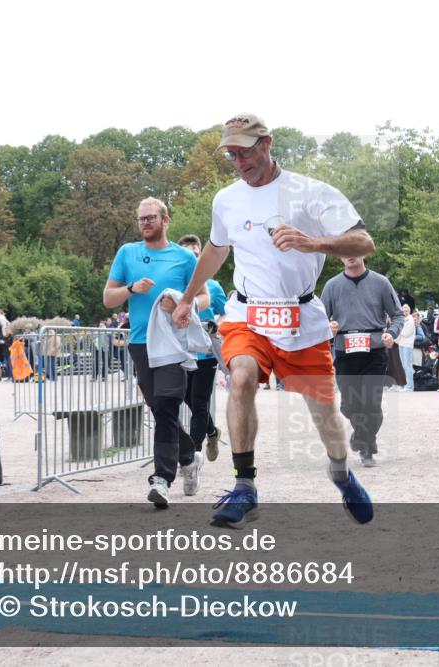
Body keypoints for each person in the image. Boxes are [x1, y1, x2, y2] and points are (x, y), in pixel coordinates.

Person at [173, 113, 375, 528]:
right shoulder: (226, 199)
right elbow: (215, 250)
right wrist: (188, 297)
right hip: (248, 312)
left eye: (245, 151)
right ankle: (245, 487)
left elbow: (363, 241)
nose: (239, 161)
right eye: (231, 154)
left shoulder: (311, 192)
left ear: (267, 143)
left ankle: (340, 472)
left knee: (326, 417)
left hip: (301, 319)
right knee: (242, 376)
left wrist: (313, 241)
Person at [103, 197, 210, 509]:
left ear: (165, 220)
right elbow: (109, 299)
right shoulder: (127, 253)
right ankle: (189, 459)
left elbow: (204, 298)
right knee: (159, 408)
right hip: (140, 343)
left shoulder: (185, 258)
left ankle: (161, 479)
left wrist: (181, 303)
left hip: (173, 343)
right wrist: (132, 289)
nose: (145, 223)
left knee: (166, 403)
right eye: (141, 219)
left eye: (150, 218)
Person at [321, 254, 404, 466]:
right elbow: (319, 318)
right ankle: (362, 435)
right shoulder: (332, 285)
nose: (350, 256)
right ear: (340, 256)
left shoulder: (381, 282)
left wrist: (391, 333)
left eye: (354, 250)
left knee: (371, 403)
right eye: (345, 252)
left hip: (374, 351)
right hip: (345, 352)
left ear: (364, 253)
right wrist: (327, 328)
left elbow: (397, 315)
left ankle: (366, 447)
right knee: (349, 405)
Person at [177, 233, 228, 463]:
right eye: (187, 255)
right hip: (180, 351)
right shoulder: (174, 285)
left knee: (199, 403)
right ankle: (212, 431)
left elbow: (227, 313)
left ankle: (194, 455)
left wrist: (220, 325)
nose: (193, 259)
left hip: (206, 353)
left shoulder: (213, 286)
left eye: (196, 255)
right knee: (186, 398)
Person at [396, 305, 416, 392]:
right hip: (401, 343)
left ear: (409, 311)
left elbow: (406, 333)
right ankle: (407, 384)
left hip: (407, 344)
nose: (405, 312)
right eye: (403, 310)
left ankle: (410, 386)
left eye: (406, 310)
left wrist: (398, 331)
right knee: (404, 365)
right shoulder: (403, 320)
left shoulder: (410, 320)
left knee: (408, 365)